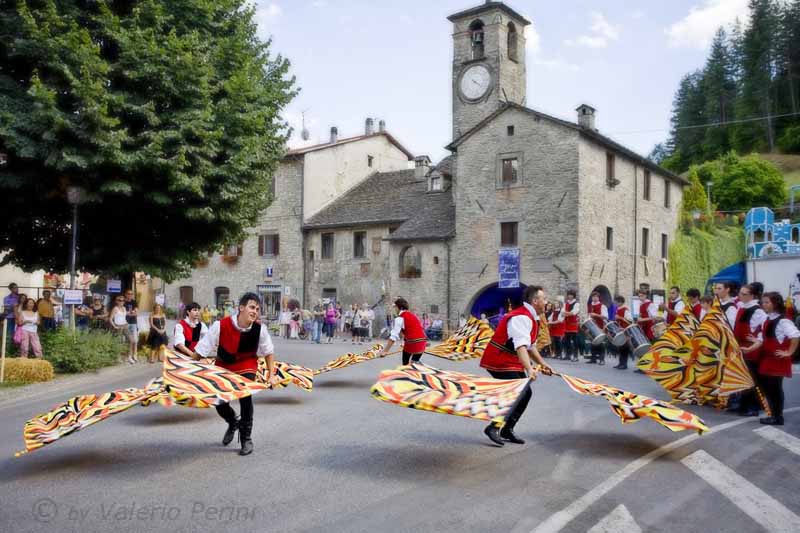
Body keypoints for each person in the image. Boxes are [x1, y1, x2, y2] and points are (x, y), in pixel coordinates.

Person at [191, 293, 280, 455]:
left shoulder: (260, 329)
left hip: (247, 364)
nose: (255, 311)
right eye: (252, 307)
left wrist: (271, 375)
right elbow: (202, 350)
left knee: (245, 395)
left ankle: (246, 438)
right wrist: (186, 369)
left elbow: (269, 352)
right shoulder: (220, 325)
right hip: (224, 366)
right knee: (218, 401)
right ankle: (233, 422)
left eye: (258, 309)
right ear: (241, 308)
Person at [479, 285, 553, 446]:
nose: (546, 302)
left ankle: (507, 429)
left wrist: (543, 364)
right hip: (499, 359)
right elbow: (521, 346)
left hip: (511, 360)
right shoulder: (521, 317)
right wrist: (529, 369)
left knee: (525, 393)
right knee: (517, 393)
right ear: (535, 301)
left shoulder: (532, 318)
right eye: (544, 299)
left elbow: (531, 346)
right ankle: (494, 427)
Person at [755, 292, 799, 426]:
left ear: (775, 304)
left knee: (774, 389)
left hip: (777, 360)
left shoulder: (783, 321)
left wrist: (788, 352)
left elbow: (795, 336)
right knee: (769, 388)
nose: (764, 304)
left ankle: (777, 417)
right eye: (763, 302)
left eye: (767, 302)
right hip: (768, 359)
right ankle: (774, 415)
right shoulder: (767, 320)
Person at [732, 283, 768, 416]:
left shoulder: (758, 311)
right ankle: (744, 404)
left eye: (744, 294)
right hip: (740, 347)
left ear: (752, 295)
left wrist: (757, 340)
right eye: (740, 293)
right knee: (742, 377)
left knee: (752, 379)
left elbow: (765, 329)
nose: (740, 296)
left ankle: (754, 406)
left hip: (751, 350)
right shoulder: (741, 307)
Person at [380, 298, 427, 365]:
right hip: (422, 342)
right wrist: (404, 342)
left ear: (399, 307)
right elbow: (410, 330)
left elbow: (393, 337)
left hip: (413, 343)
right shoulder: (412, 315)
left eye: (395, 307)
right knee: (414, 362)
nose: (395, 309)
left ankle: (409, 368)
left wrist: (385, 351)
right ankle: (415, 364)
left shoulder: (400, 318)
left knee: (405, 363)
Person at [587, 291, 608, 365]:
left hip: (600, 326)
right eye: (593, 297)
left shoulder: (602, 306)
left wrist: (595, 315)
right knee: (593, 342)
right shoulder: (590, 305)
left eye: (596, 297)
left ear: (598, 298)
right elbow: (589, 315)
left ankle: (602, 359)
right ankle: (593, 358)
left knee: (600, 343)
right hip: (592, 326)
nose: (594, 298)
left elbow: (605, 316)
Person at [109, 295, 131, 362]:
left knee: (130, 340)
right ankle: (118, 357)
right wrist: (114, 326)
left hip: (125, 325)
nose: (121, 302)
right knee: (119, 342)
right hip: (118, 326)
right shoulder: (115, 308)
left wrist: (127, 323)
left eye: (123, 300)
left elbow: (124, 316)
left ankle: (127, 356)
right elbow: (110, 319)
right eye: (120, 300)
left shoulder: (124, 308)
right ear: (117, 301)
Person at [613, 295, 633, 370]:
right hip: (620, 330)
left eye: (616, 302)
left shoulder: (626, 310)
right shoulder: (618, 309)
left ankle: (624, 364)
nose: (615, 303)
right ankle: (620, 363)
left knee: (625, 348)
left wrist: (620, 318)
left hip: (625, 330)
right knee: (620, 347)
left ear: (620, 302)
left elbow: (630, 321)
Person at [560, 290, 580, 362]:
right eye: (569, 295)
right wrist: (567, 313)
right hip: (567, 324)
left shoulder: (576, 304)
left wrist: (566, 313)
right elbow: (562, 312)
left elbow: (574, 313)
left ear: (573, 296)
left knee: (575, 341)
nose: (569, 296)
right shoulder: (566, 304)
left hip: (573, 324)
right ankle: (568, 355)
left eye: (571, 295)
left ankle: (575, 356)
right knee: (566, 340)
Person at [123, 289, 139, 364]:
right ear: (126, 294)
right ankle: (129, 355)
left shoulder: (134, 302)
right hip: (125, 323)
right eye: (128, 294)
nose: (130, 295)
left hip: (133, 323)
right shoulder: (123, 302)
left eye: (131, 294)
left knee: (135, 340)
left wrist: (130, 313)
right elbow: (123, 313)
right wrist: (130, 313)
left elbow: (136, 312)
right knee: (129, 340)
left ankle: (135, 355)